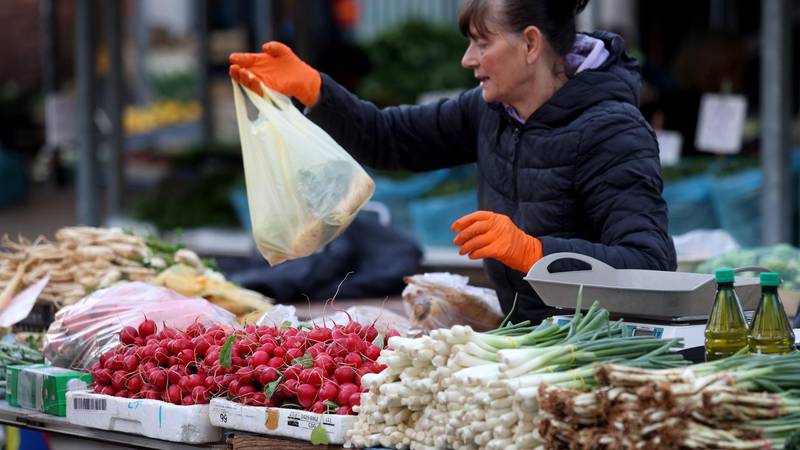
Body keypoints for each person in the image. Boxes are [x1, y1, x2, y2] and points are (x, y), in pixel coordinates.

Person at [229, 0, 677, 324]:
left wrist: (535, 252)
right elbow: (392, 138)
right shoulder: (489, 111)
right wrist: (315, 89)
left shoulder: (613, 130)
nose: (468, 60)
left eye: (482, 43)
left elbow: (650, 266)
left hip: (603, 350)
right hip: (526, 339)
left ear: (531, 44)